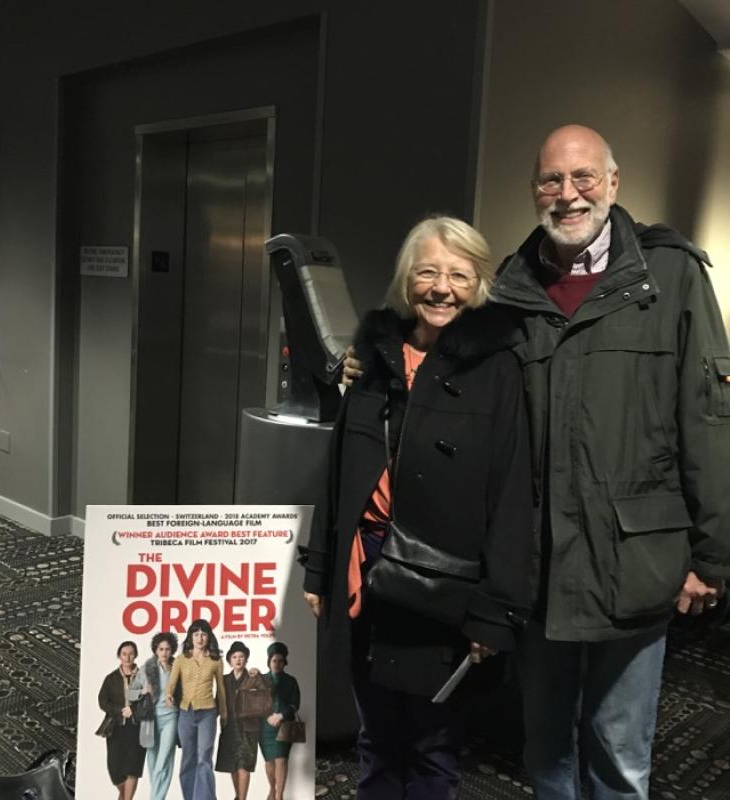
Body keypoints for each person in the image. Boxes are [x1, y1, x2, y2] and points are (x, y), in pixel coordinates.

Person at [344, 126, 730, 800]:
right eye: (551, 180)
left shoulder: (669, 276)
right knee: (546, 747)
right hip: (541, 566)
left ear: (613, 183)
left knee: (619, 753)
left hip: (636, 560)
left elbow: (708, 419)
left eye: (583, 177)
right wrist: (370, 360)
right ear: (534, 191)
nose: (567, 193)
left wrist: (711, 555)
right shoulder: (512, 289)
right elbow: (445, 362)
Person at [302, 215, 533, 798]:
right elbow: (339, 472)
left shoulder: (497, 367)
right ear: (408, 278)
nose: (441, 288)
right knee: (375, 739)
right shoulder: (374, 353)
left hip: (443, 583)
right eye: (428, 271)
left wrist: (493, 611)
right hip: (368, 564)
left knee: (432, 749)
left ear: (478, 282)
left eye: (458, 274)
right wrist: (320, 565)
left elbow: (511, 496)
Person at [167, 619, 227, 800]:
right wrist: (169, 695)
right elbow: (171, 684)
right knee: (188, 759)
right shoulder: (181, 659)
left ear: (208, 637)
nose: (200, 638)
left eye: (203, 634)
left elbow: (221, 689)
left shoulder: (215, 660)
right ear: (190, 637)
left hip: (208, 713)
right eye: (196, 634)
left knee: (204, 758)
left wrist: (223, 713)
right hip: (186, 713)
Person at [215, 640, 271, 800]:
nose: (238, 660)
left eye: (241, 656)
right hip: (229, 727)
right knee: (233, 764)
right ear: (229, 660)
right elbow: (218, 701)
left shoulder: (253, 677)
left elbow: (266, 696)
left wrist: (259, 676)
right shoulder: (224, 680)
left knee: (244, 763)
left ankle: (242, 798)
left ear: (246, 659)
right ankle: (238, 796)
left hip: (249, 727)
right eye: (234, 657)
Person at [97, 640, 146, 800]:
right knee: (115, 771)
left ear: (136, 655)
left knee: (133, 768)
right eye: (124, 653)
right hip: (116, 728)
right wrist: (119, 711)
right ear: (119, 655)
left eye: (131, 653)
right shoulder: (110, 678)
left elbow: (151, 700)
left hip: (137, 728)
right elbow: (102, 701)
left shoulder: (143, 677)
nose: (127, 657)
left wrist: (134, 709)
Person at [258, 642, 301, 800]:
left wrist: (280, 716)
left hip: (285, 725)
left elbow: (295, 704)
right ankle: (272, 789)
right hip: (265, 727)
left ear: (285, 662)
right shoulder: (260, 679)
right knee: (270, 762)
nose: (277, 663)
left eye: (280, 661)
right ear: (269, 661)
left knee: (281, 760)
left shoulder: (291, 681)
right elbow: (256, 702)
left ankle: (279, 796)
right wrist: (269, 715)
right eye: (274, 660)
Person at [140, 631, 180, 800]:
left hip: (171, 717)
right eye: (161, 649)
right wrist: (142, 692)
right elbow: (131, 693)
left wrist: (177, 699)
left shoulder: (178, 667)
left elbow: (187, 689)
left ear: (172, 650)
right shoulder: (146, 669)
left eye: (168, 649)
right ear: (155, 650)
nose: (164, 652)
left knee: (164, 761)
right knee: (152, 761)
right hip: (151, 719)